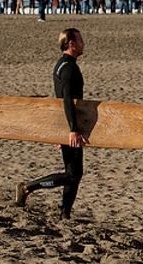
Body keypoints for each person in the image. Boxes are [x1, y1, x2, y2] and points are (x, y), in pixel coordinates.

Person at [15, 28, 88, 220]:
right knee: (73, 175)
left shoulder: (60, 65)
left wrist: (60, 130)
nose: (83, 43)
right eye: (80, 40)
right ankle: (28, 187)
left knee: (74, 173)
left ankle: (65, 213)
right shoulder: (69, 68)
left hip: (63, 124)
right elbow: (66, 100)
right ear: (71, 44)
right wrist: (71, 129)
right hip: (69, 125)